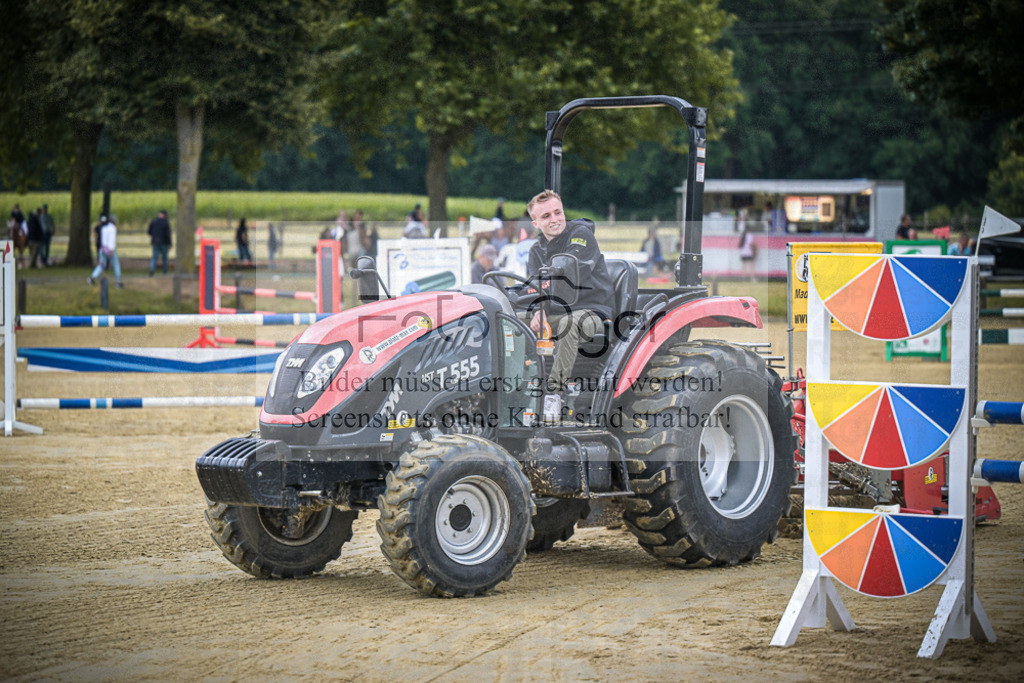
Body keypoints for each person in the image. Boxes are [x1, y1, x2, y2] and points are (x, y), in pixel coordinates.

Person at [521, 190, 613, 422]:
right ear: (535, 222)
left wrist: (544, 298)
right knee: (511, 320)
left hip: (593, 311)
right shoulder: (536, 250)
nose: (554, 219)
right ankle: (515, 390)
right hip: (557, 311)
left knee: (569, 324)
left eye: (557, 212)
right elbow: (533, 286)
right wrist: (537, 309)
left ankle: (553, 394)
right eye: (546, 216)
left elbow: (570, 276)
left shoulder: (580, 236)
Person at [88, 215, 123, 288]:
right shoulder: (112, 228)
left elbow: (103, 240)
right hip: (109, 249)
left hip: (103, 248)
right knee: (116, 265)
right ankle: (118, 282)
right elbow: (112, 240)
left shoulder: (104, 228)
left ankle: (92, 278)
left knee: (101, 265)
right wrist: (111, 250)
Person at [147, 210, 172, 275]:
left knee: (154, 257)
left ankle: (152, 270)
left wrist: (154, 236)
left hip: (155, 242)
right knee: (165, 258)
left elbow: (149, 231)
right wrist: (169, 243)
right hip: (164, 243)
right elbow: (168, 235)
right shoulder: (165, 223)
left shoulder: (154, 222)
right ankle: (164, 271)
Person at [7, 203, 28, 267]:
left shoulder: (20, 213)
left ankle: (26, 237)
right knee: (9, 227)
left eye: (16, 208)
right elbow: (11, 219)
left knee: (25, 228)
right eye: (15, 208)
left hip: (20, 224)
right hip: (14, 224)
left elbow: (22, 220)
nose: (16, 209)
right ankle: (10, 237)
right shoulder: (12, 213)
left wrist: (18, 224)